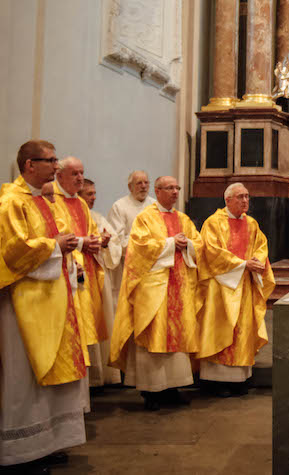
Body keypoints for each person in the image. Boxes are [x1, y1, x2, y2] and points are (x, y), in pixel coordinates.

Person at [0, 140, 88, 473]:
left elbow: (59, 238)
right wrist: (56, 246)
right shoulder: (12, 203)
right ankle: (20, 453)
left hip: (52, 300)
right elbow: (13, 251)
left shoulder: (45, 200)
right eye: (51, 160)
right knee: (24, 378)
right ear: (29, 165)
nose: (56, 166)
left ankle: (48, 443)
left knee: (52, 377)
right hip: (22, 307)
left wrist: (69, 249)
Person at [110, 176, 203, 411]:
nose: (174, 192)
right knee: (153, 337)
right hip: (154, 290)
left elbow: (199, 244)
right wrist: (171, 243)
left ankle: (172, 388)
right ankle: (151, 391)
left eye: (177, 188)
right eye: (169, 188)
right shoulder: (145, 218)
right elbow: (138, 250)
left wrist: (188, 245)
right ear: (158, 191)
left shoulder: (183, 218)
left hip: (179, 287)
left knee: (176, 339)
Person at [197, 183, 274, 397]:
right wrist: (242, 265)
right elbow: (211, 251)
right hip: (221, 286)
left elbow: (261, 246)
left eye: (247, 196)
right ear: (227, 199)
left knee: (243, 331)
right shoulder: (213, 222)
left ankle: (240, 379)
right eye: (240, 197)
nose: (245, 201)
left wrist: (257, 261)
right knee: (221, 329)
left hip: (245, 285)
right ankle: (215, 381)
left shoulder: (251, 224)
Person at [51, 158, 110, 392]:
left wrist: (97, 241)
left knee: (85, 328)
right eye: (74, 173)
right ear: (60, 176)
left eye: (82, 173)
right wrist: (85, 243)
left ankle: (85, 393)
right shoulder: (53, 201)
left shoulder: (81, 204)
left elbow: (90, 234)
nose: (79, 178)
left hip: (85, 272)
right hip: (66, 272)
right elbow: (55, 236)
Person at [79, 179, 123, 386]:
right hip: (80, 279)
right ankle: (88, 378)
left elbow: (114, 244)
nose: (94, 197)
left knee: (102, 321)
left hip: (98, 277)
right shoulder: (70, 216)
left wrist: (105, 244)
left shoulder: (98, 218)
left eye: (94, 193)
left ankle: (102, 375)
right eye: (89, 194)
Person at [106, 170, 155, 306]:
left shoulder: (155, 206)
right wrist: (143, 244)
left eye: (146, 183)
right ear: (130, 187)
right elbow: (116, 241)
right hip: (128, 267)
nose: (143, 186)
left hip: (152, 268)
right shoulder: (119, 207)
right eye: (139, 183)